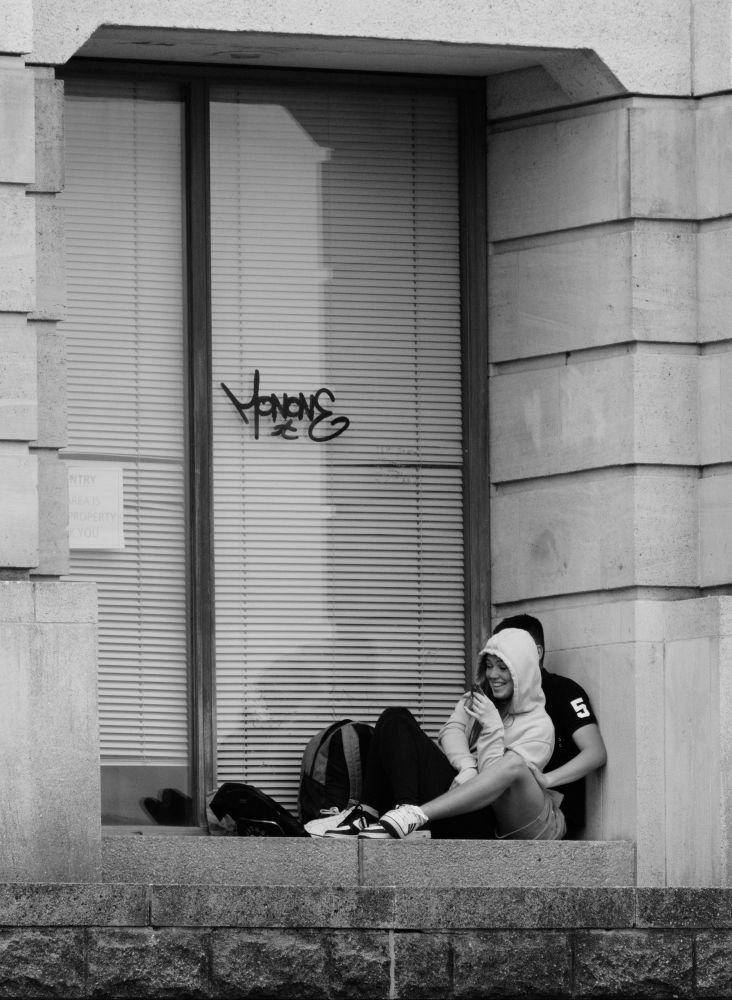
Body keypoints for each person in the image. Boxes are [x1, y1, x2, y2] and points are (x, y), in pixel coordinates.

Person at [321, 627, 566, 840]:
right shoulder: (481, 698)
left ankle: (414, 816)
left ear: (522, 673)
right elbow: (451, 730)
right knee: (395, 718)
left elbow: (499, 785)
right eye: (489, 666)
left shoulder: (539, 728)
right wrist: (467, 767)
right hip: (451, 795)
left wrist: (493, 728)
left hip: (482, 816)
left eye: (503, 668)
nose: (493, 675)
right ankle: (376, 811)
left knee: (503, 767)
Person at [493, 613, 607, 837]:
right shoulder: (496, 695)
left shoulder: (564, 691)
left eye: (505, 657)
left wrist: (547, 779)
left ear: (536, 653)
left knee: (513, 764)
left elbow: (596, 752)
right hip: (498, 806)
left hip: (548, 813)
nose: (495, 672)